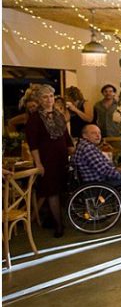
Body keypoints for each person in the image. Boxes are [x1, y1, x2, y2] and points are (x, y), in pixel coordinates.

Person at [72, 124, 121, 225]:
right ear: (85, 135)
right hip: (100, 184)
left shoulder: (84, 146)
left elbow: (105, 168)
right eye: (94, 133)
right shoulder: (88, 149)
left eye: (99, 133)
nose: (98, 135)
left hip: (97, 181)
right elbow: (105, 171)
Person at [26, 84, 74, 238]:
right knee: (52, 192)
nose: (49, 99)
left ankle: (55, 220)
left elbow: (66, 137)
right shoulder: (34, 118)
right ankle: (58, 225)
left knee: (61, 190)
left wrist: (73, 151)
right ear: (39, 100)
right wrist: (38, 163)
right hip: (46, 160)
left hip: (61, 158)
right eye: (45, 97)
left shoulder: (59, 115)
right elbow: (33, 144)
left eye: (51, 96)